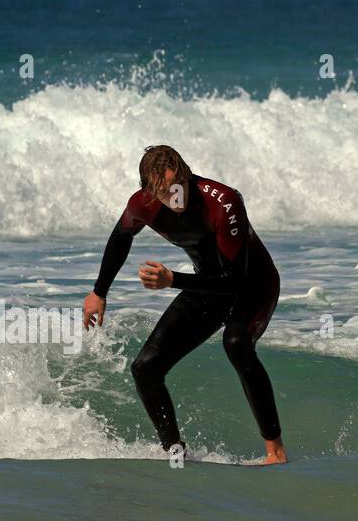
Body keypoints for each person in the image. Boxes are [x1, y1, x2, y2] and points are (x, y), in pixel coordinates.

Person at [84, 145, 287, 465]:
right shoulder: (142, 205)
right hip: (208, 284)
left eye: (180, 185)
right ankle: (176, 453)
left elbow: (234, 281)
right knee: (145, 368)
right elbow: (121, 237)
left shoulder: (224, 202)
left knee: (236, 343)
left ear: (188, 176)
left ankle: (275, 452)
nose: (176, 196)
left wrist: (172, 280)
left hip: (252, 285)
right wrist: (99, 293)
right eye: (166, 191)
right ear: (150, 191)